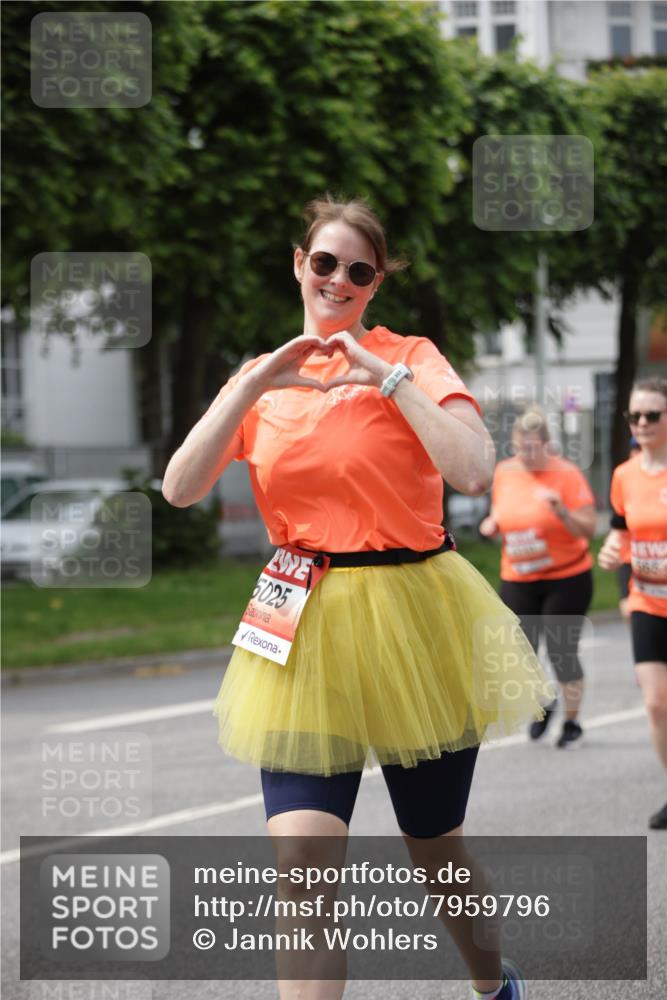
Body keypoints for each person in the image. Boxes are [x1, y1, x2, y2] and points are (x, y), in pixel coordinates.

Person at [163, 195, 550, 1000]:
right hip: (298, 611)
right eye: (324, 262)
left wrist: (392, 379)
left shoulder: (411, 355)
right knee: (302, 869)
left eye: (358, 270)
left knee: (433, 845)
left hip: (416, 610)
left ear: (375, 283)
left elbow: (472, 469)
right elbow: (179, 488)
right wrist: (252, 384)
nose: (338, 279)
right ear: (299, 265)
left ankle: (491, 984)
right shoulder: (261, 378)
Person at [479, 408, 596, 748]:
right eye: (519, 448)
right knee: (521, 652)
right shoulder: (505, 472)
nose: (526, 456)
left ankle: (572, 722)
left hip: (566, 576)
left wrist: (562, 512)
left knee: (561, 650)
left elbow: (588, 529)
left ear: (548, 446)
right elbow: (502, 511)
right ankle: (545, 701)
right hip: (518, 576)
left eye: (533, 448)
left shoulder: (567, 475)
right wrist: (493, 523)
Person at [598, 377, 667, 830]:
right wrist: (612, 554)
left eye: (652, 415)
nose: (641, 423)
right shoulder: (624, 475)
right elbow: (622, 531)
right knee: (657, 704)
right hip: (647, 600)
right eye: (634, 416)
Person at [617, 437, 640, 622]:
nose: (638, 453)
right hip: (644, 594)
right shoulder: (624, 480)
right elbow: (623, 544)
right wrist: (625, 595)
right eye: (635, 448)